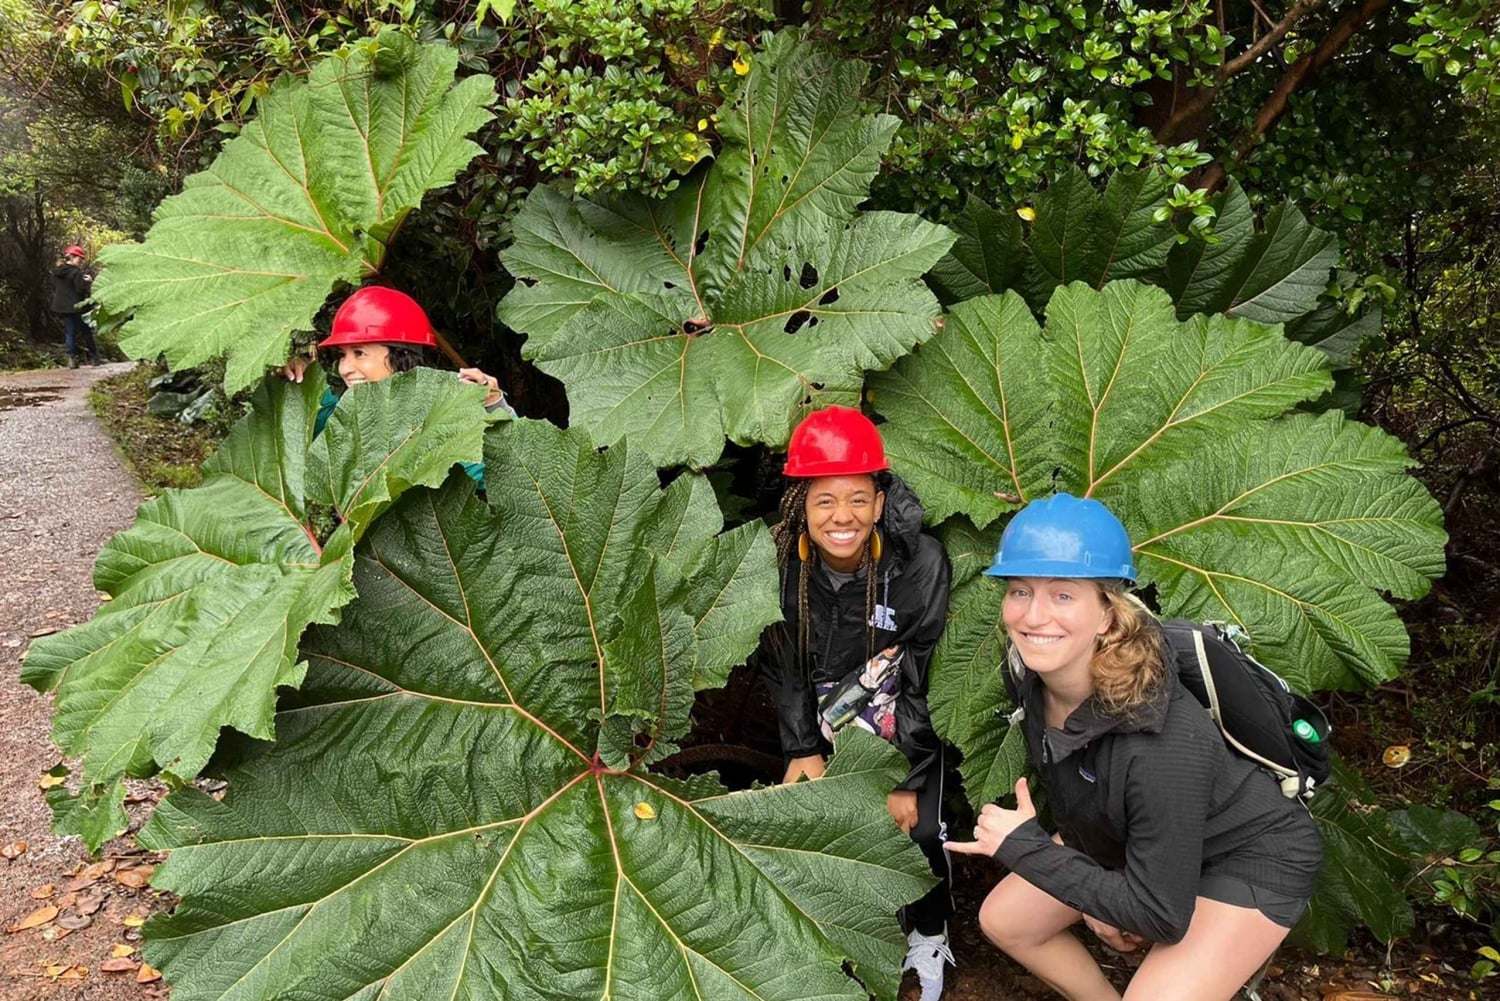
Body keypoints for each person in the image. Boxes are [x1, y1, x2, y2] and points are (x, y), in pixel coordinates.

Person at [947, 494, 1323, 1001]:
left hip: (1247, 855)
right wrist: (1088, 890)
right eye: (1019, 591)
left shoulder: (1159, 738)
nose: (1034, 615)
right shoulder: (1032, 679)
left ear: (1107, 615)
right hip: (1150, 845)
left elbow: (1158, 916)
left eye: (1063, 596)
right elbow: (1086, 802)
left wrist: (1030, 852)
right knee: (1006, 919)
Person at [758, 405, 955, 1001]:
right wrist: (800, 749)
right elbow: (782, 658)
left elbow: (922, 674)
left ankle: (929, 930)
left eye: (857, 499)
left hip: (894, 695)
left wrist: (909, 775)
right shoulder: (780, 563)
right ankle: (845, 934)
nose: (842, 516)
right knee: (808, 824)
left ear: (879, 499)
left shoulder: (918, 562)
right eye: (825, 502)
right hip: (819, 703)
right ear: (802, 505)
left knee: (915, 828)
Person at [283, 285, 514, 483]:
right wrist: (298, 385)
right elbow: (311, 428)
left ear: (401, 356)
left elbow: (501, 476)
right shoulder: (349, 420)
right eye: (343, 355)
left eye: (359, 353)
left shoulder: (441, 418)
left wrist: (494, 409)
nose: (344, 368)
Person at [51, 245, 96, 367]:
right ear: (73, 257)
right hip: (76, 306)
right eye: (79, 259)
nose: (80, 261)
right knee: (86, 330)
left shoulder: (59, 271)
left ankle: (72, 359)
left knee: (69, 332)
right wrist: (88, 282)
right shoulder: (75, 272)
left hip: (63, 307)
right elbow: (80, 290)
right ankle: (94, 357)